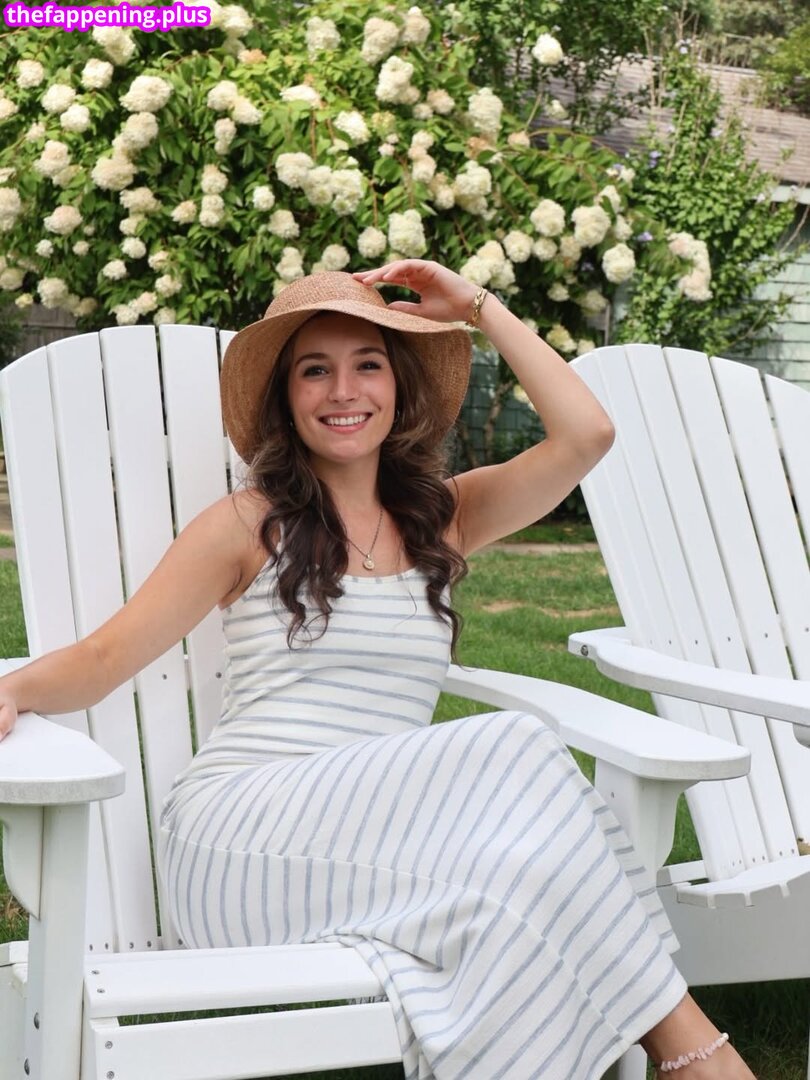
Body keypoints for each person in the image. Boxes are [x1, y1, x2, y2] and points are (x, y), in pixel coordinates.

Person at [0, 260, 754, 1080]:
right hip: (240, 843)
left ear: (398, 387)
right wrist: (12, 689)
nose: (343, 391)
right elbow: (107, 656)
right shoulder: (249, 525)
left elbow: (588, 436)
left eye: (368, 364)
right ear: (285, 397)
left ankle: (677, 1056)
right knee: (516, 746)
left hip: (385, 856)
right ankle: (695, 1055)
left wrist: (479, 308)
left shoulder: (443, 519)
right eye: (313, 371)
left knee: (517, 891)